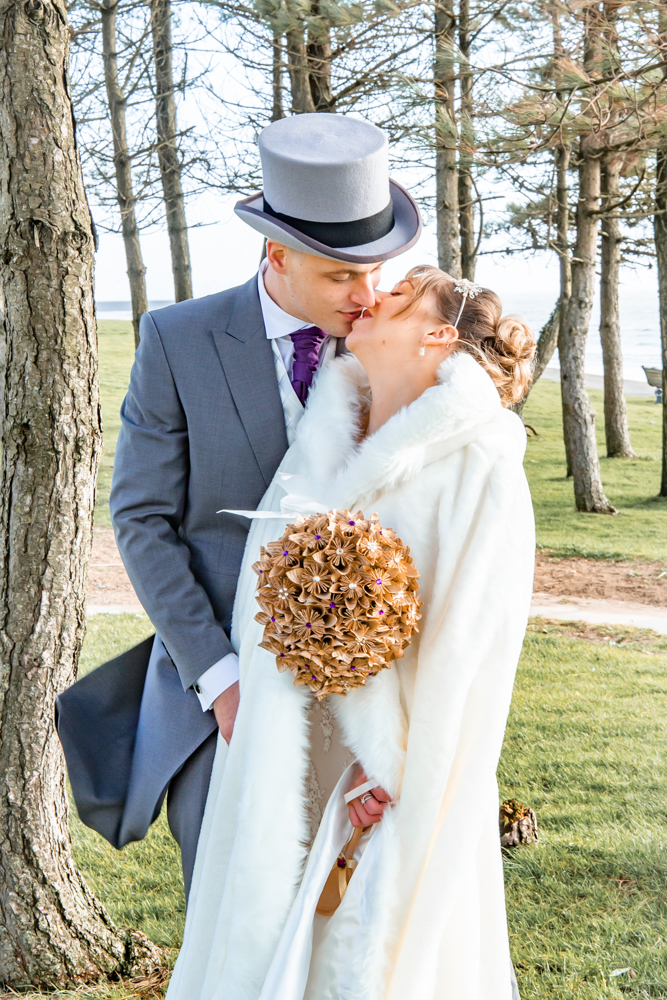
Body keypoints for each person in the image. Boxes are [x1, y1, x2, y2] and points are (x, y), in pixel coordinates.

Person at [55, 112, 421, 899]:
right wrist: (221, 683)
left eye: (379, 269)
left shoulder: (398, 344)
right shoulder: (176, 340)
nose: (367, 296)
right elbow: (142, 520)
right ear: (277, 254)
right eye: (340, 275)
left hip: (373, 710)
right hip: (222, 702)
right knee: (235, 927)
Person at [165, 265, 536, 1000]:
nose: (370, 299)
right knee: (257, 933)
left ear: (437, 335)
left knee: (358, 956)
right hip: (281, 744)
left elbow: (472, 642)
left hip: (387, 764)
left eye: (396, 297)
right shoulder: (322, 435)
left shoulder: (481, 455)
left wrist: (398, 766)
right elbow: (262, 589)